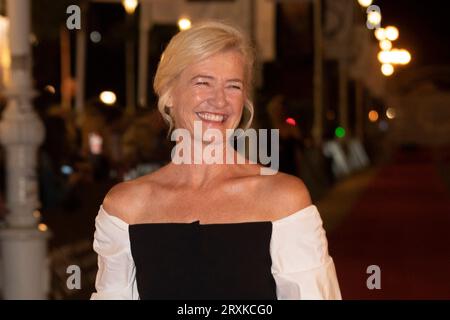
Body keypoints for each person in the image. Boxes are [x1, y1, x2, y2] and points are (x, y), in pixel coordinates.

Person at [91, 21, 341, 300]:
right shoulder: (126, 207)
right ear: (169, 93)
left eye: (233, 86)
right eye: (203, 82)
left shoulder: (282, 199)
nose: (219, 101)